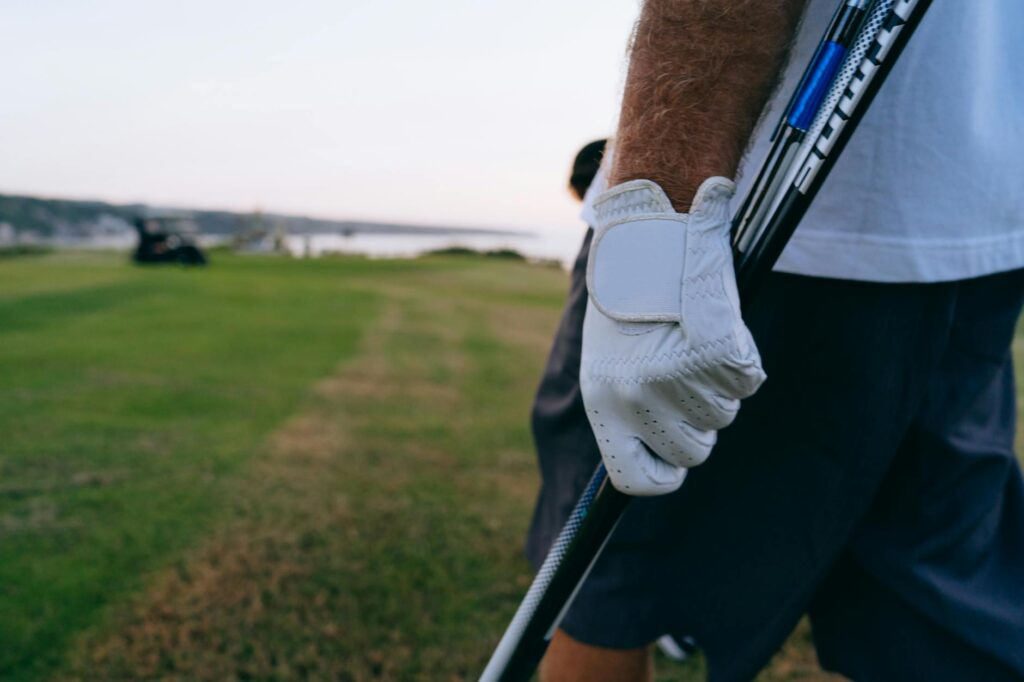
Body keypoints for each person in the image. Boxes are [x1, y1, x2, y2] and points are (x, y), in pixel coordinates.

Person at [526, 2, 1024, 681]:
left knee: (608, 576)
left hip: (750, 234)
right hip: (971, 223)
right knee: (934, 599)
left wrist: (657, 211)